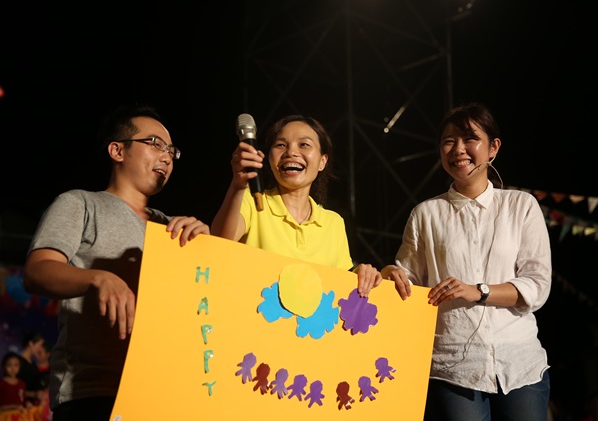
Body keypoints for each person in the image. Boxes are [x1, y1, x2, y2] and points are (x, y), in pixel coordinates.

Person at [22, 103, 211, 421]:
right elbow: (37, 270)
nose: (166, 157)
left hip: (163, 394)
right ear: (117, 150)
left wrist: (205, 249)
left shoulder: (172, 228)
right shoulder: (81, 203)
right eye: (155, 144)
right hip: (94, 394)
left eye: (171, 151)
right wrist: (99, 278)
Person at [381, 102, 552, 420]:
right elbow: (409, 283)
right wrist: (391, 274)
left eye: (470, 138)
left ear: (493, 148)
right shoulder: (426, 214)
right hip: (453, 367)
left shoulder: (521, 206)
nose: (458, 149)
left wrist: (479, 291)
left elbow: (537, 285)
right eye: (449, 141)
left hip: (520, 364)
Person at [211, 114, 381, 296]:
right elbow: (218, 244)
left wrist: (363, 274)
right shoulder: (251, 200)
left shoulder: (334, 222)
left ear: (322, 161)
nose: (291, 152)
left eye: (304, 145)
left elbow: (340, 286)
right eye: (280, 145)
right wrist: (238, 185)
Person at [16, 331, 46, 407]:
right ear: (31, 344)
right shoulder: (18, 363)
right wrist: (33, 394)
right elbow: (14, 388)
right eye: (40, 345)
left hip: (33, 407)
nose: (40, 349)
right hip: (21, 407)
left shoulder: (33, 364)